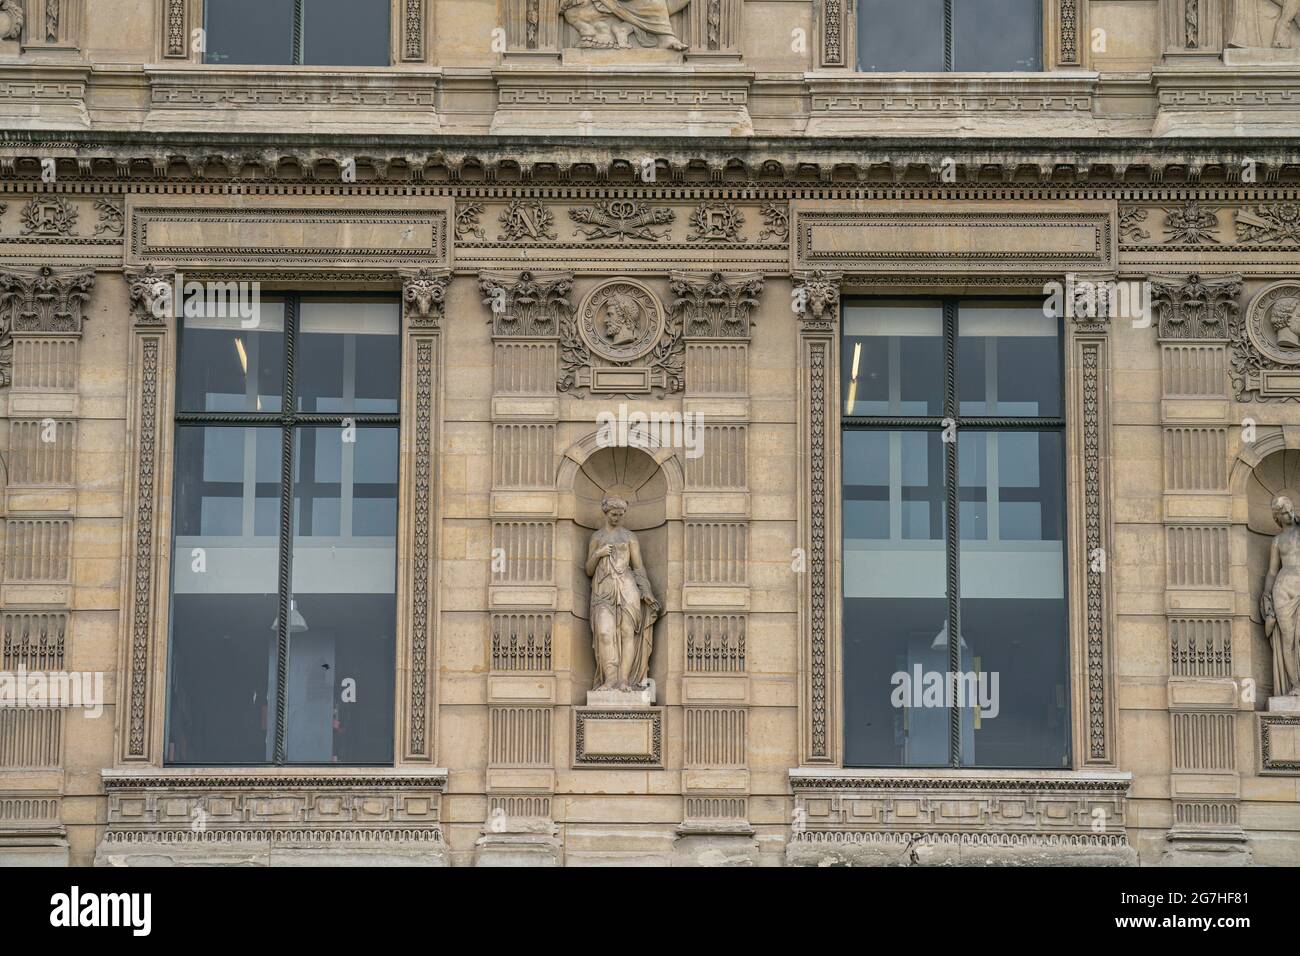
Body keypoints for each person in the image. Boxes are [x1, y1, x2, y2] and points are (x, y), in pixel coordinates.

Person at [586, 495, 659, 691]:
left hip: (627, 587)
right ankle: (610, 680)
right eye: (613, 514)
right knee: (604, 632)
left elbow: (638, 567)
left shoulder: (629, 537)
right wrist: (597, 554)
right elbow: (588, 570)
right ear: (606, 512)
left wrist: (646, 591)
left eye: (620, 514)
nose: (617, 518)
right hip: (603, 588)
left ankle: (624, 680)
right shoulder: (597, 537)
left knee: (628, 633)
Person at [1261, 496, 1300, 698]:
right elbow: (1272, 572)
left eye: (1291, 509)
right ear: (1277, 517)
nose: (1290, 514)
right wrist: (1267, 596)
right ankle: (1295, 686)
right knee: (1288, 640)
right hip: (1283, 590)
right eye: (1284, 513)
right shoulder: (1277, 541)